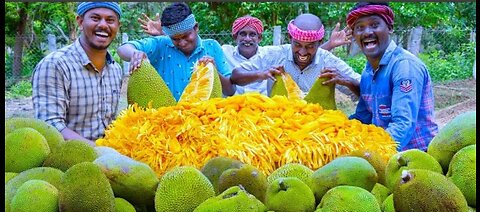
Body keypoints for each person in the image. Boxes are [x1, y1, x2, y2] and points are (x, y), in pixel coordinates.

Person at [139, 13, 354, 96]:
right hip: (237, 113)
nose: (248, 38)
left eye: (253, 34)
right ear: (235, 36)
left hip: (286, 117)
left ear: (260, 38)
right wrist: (166, 37)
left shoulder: (271, 53)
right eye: (243, 34)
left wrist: (329, 46)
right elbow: (233, 78)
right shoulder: (224, 51)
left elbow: (306, 54)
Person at [345, 2, 438, 151]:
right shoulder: (368, 72)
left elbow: (403, 125)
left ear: (389, 28)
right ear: (354, 35)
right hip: (386, 155)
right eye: (359, 28)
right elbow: (363, 118)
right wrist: (335, 127)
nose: (367, 32)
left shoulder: (404, 66)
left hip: (417, 156)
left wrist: (371, 153)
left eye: (374, 25)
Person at [32, 2, 123, 147]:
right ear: (80, 22)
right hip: (69, 160)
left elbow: (110, 123)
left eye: (110, 20)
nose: (103, 25)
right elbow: (50, 125)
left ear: (118, 26)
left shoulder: (115, 69)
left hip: (109, 159)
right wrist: (99, 150)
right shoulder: (55, 65)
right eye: (95, 18)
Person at [117, 2, 235, 100]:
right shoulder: (160, 44)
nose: (182, 43)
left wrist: (212, 71)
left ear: (196, 27)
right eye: (175, 39)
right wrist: (135, 54)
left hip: (204, 121)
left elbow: (230, 90)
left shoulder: (212, 46)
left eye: (186, 36)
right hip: (168, 122)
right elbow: (123, 49)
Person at [230, 13, 361, 98]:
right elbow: (235, 76)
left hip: (315, 126)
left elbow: (366, 89)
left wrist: (346, 81)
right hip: (278, 124)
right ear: (289, 38)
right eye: (297, 45)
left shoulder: (328, 60)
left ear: (320, 43)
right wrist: (261, 74)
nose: (303, 52)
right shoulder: (274, 54)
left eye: (310, 46)